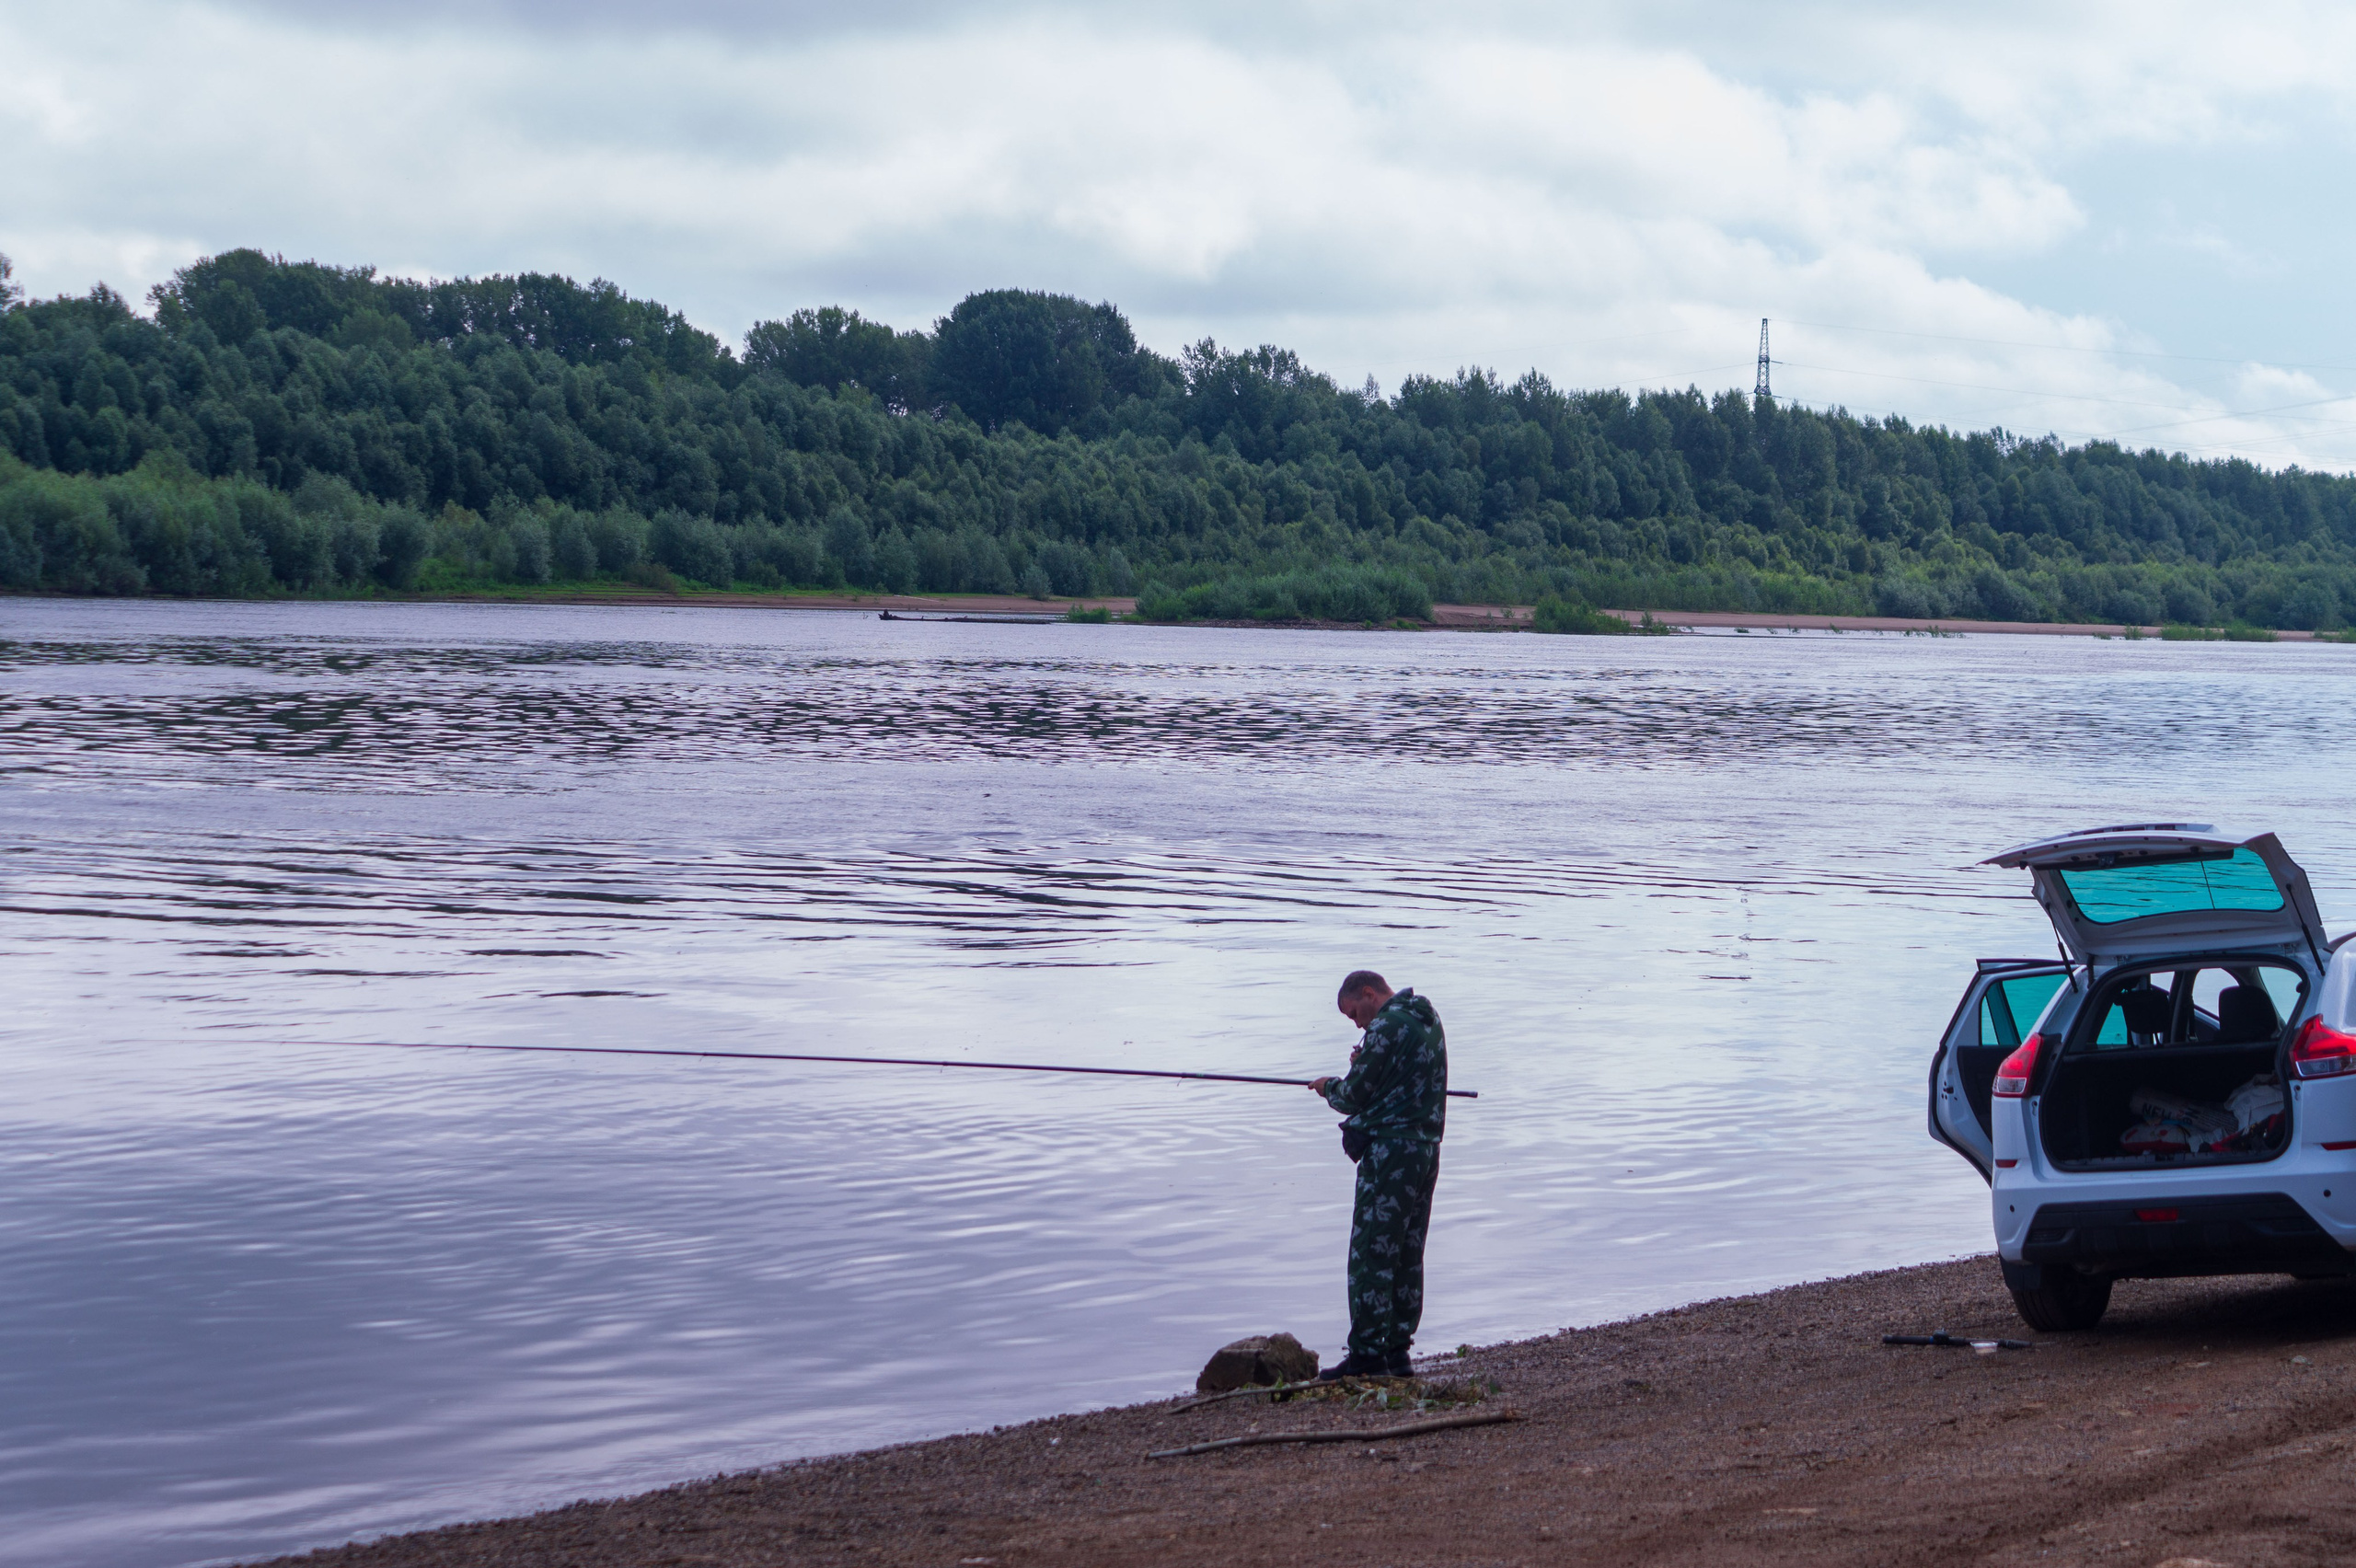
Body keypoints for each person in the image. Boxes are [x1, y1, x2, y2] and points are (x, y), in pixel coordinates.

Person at [1309, 969, 1447, 1379]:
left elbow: (1354, 1095)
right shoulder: (1426, 1018)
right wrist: (1366, 1062)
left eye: (1355, 1013)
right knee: (1406, 1253)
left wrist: (1328, 1085)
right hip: (1425, 1150)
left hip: (1389, 1153)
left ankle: (1368, 1357)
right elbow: (1403, 1075)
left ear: (1369, 994)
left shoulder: (1385, 1026)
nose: (1358, 1023)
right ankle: (1397, 1353)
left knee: (1372, 1254)